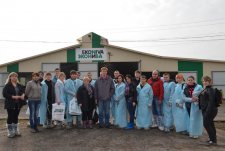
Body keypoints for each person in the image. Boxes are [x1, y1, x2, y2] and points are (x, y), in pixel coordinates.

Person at [2, 72, 25, 138]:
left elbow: (22, 91)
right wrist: (13, 97)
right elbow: (4, 94)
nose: (14, 77)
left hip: (18, 104)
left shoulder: (18, 85)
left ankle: (16, 130)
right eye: (12, 76)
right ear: (10, 77)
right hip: (10, 104)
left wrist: (23, 94)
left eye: (15, 76)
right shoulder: (7, 85)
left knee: (16, 116)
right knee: (10, 117)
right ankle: (10, 131)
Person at [199, 76, 218, 145]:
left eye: (206, 81)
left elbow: (211, 102)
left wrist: (207, 111)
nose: (204, 82)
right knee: (211, 124)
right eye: (203, 81)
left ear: (209, 81)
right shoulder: (205, 89)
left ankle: (213, 140)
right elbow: (204, 99)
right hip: (206, 109)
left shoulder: (210, 90)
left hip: (210, 110)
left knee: (206, 124)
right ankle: (212, 139)